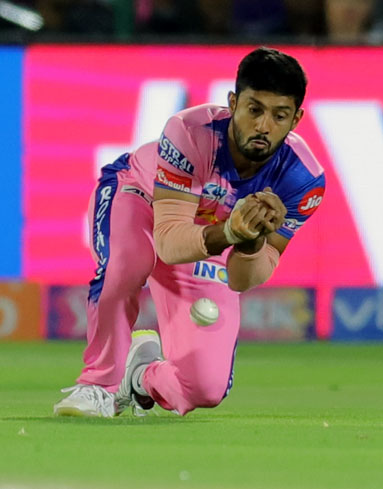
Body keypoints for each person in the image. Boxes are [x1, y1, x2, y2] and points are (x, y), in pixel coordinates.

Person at [53, 47, 326, 417]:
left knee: (206, 387)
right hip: (139, 198)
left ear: (296, 119)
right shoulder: (191, 132)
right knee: (128, 264)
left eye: (279, 115)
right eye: (254, 110)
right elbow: (166, 241)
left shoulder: (302, 180)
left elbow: (243, 280)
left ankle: (139, 377)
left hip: (208, 235)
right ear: (233, 103)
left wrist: (253, 240)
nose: (263, 126)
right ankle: (98, 386)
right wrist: (229, 231)